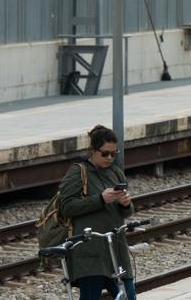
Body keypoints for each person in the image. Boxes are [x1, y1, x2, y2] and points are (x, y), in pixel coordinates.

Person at [60, 125, 137, 299]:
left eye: (113, 153)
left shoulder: (116, 173)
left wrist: (125, 204)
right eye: (105, 153)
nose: (110, 158)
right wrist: (100, 199)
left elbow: (126, 213)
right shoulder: (78, 172)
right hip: (90, 251)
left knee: (128, 295)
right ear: (92, 151)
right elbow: (66, 208)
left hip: (115, 248)